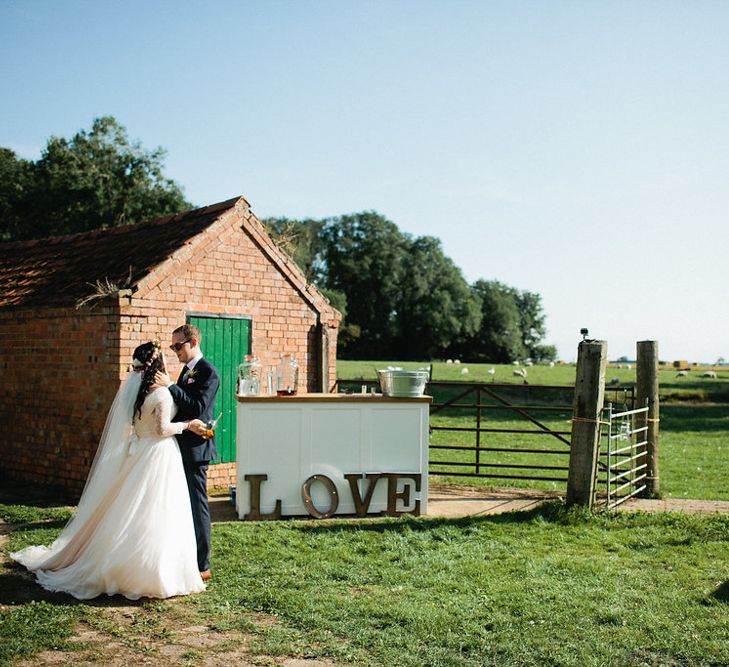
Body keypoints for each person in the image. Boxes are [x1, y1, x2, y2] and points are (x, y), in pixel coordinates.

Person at [11, 341, 207, 600]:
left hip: (141, 453)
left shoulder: (139, 392)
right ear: (158, 365)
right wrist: (187, 424)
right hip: (158, 454)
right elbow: (161, 430)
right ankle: (151, 572)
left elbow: (139, 426)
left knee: (135, 509)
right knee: (158, 510)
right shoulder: (160, 394)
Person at [153, 324, 220, 581]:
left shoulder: (208, 372)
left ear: (192, 342)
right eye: (172, 347)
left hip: (196, 450)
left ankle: (203, 565)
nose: (174, 351)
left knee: (197, 505)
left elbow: (197, 407)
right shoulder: (186, 371)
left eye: (177, 346)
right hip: (180, 446)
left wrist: (170, 385)